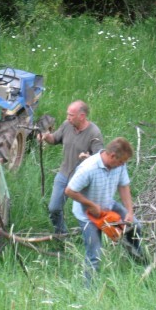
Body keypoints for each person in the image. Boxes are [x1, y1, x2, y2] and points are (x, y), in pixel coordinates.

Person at [65, 137, 143, 285]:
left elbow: (124, 186)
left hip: (108, 205)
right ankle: (88, 291)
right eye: (121, 162)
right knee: (95, 254)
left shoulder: (119, 166)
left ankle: (139, 263)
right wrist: (90, 204)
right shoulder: (88, 168)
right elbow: (69, 191)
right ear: (113, 156)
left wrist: (129, 212)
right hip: (87, 215)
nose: (122, 165)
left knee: (136, 227)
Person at [38, 100, 104, 234]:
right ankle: (61, 234)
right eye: (67, 114)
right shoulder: (67, 125)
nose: (68, 117)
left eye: (71, 115)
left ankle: (89, 236)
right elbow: (54, 139)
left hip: (82, 180)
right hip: (64, 174)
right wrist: (45, 137)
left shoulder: (94, 132)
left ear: (82, 116)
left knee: (84, 214)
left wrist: (88, 159)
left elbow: (100, 159)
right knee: (54, 209)